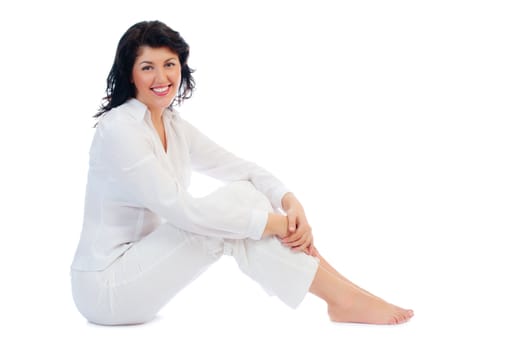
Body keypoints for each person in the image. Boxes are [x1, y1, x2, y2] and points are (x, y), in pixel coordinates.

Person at [70, 20, 414, 326]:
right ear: (130, 74)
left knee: (245, 195)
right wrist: (275, 223)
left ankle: (345, 294)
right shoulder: (120, 130)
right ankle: (344, 298)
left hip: (141, 274)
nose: (162, 78)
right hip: (106, 289)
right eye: (148, 67)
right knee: (232, 219)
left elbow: (238, 167)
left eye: (169, 65)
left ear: (181, 67)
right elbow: (182, 211)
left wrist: (290, 203)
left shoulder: (170, 123)